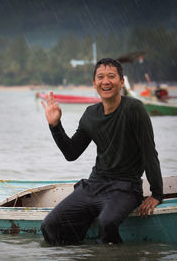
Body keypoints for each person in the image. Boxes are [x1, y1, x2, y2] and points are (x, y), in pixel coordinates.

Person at [40, 58, 163, 245]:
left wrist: (157, 193)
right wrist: (55, 126)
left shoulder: (134, 109)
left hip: (126, 188)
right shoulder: (91, 114)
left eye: (111, 76)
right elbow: (71, 153)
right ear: (94, 84)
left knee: (107, 223)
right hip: (94, 186)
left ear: (121, 82)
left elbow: (149, 152)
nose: (106, 81)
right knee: (50, 225)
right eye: (101, 77)